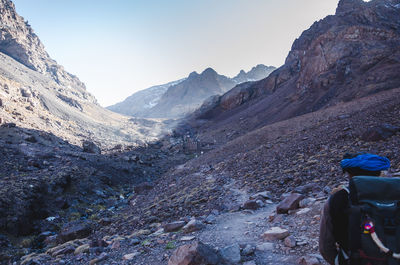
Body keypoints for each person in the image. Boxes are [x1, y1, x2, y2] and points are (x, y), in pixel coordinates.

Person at [319, 153, 391, 265]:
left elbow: (325, 246)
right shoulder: (394, 194)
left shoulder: (337, 199)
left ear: (350, 174)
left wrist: (340, 261)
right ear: (378, 173)